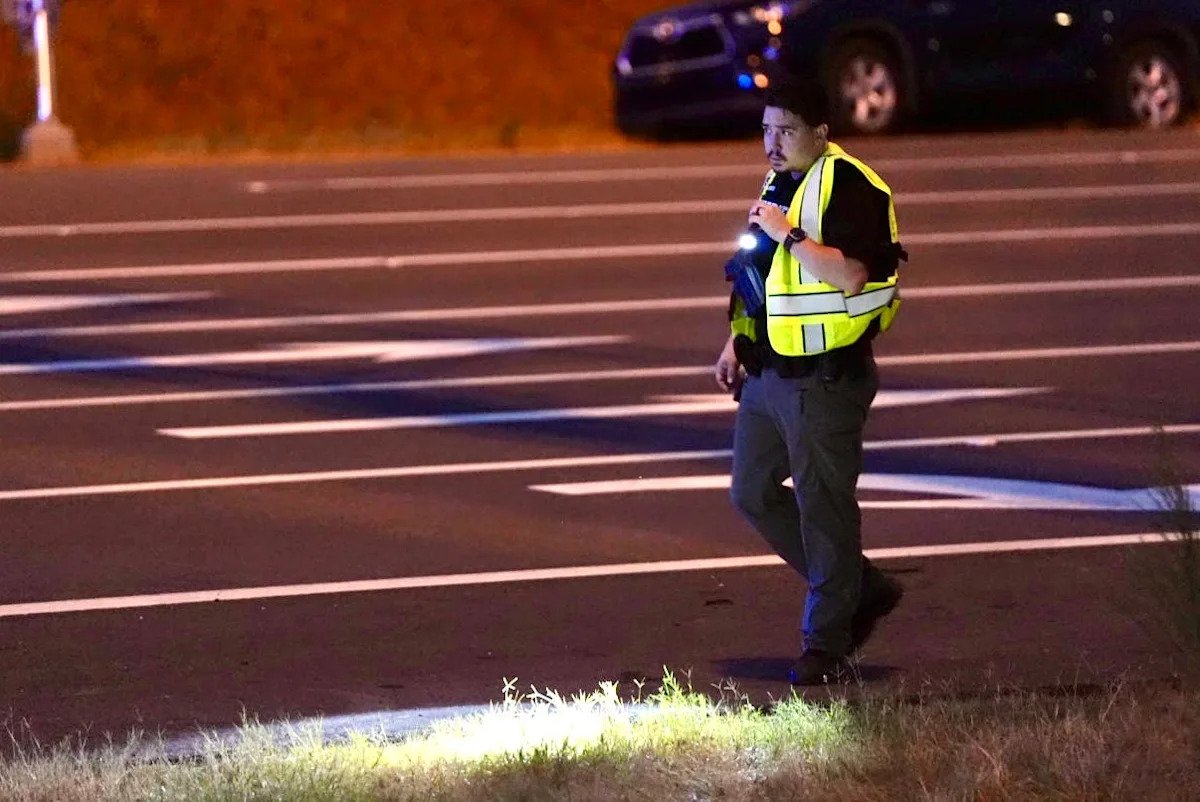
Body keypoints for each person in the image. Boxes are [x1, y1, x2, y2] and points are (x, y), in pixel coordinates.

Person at [715, 77, 907, 685]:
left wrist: (790, 234)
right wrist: (737, 341)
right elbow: (760, 277)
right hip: (770, 373)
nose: (772, 143)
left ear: (821, 133)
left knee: (825, 510)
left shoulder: (852, 186)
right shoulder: (780, 183)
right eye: (766, 130)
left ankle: (825, 643)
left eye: (787, 131)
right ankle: (860, 587)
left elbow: (851, 275)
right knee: (751, 492)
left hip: (825, 379)